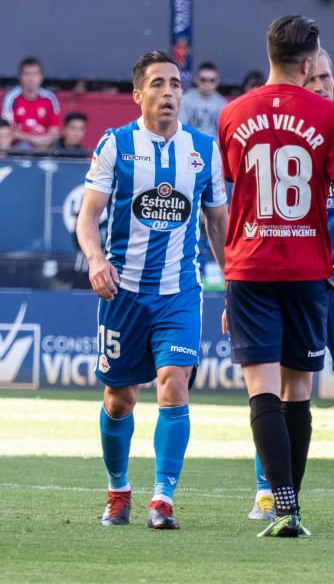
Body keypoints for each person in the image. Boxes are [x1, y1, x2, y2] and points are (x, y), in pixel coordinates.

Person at [218, 15, 334, 538]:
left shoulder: (232, 114)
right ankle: (291, 506)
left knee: (261, 388)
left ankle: (281, 505)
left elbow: (235, 195)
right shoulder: (330, 116)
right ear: (309, 63)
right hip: (308, 271)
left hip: (250, 266)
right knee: (298, 391)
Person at [76, 51, 228, 531]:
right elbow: (88, 217)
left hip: (179, 293)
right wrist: (97, 260)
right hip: (122, 294)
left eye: (176, 84)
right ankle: (118, 489)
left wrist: (236, 285)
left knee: (174, 383)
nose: (170, 92)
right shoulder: (115, 144)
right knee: (119, 398)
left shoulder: (204, 149)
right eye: (159, 84)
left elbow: (218, 223)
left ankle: (162, 498)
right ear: (138, 94)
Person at [246, 47, 334, 522]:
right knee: (285, 387)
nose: (322, 85)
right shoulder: (277, 129)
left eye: (328, 76)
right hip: (291, 275)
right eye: (315, 77)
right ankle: (268, 489)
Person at [2, 56, 60, 151]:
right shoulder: (11, 97)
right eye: (27, 74)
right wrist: (32, 139)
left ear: (41, 77)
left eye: (35, 74)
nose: (31, 78)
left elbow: (54, 131)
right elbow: (6, 131)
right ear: (20, 77)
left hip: (44, 147)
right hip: (18, 147)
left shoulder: (50, 98)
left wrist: (46, 140)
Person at [179, 62, 226, 140]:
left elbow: (223, 133)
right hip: (190, 143)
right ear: (196, 79)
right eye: (203, 80)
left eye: (212, 80)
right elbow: (181, 128)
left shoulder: (222, 103)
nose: (207, 84)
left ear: (218, 81)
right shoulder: (185, 99)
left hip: (214, 145)